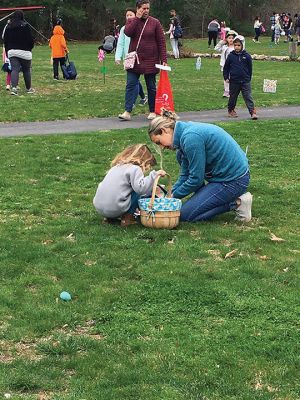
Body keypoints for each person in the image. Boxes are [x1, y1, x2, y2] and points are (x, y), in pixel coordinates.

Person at [148, 110, 253, 223]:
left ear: (164, 131)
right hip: (219, 178)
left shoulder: (191, 139)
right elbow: (185, 176)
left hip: (234, 180)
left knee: (185, 215)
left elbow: (196, 180)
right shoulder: (184, 139)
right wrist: (169, 194)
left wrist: (172, 197)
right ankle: (204, 200)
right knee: (180, 156)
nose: (162, 147)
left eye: (158, 142)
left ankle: (238, 202)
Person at [93, 144, 166, 226]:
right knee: (137, 191)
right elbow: (141, 189)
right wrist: (154, 176)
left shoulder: (116, 167)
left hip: (100, 207)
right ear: (144, 161)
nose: (147, 169)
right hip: (116, 208)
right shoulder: (135, 169)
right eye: (148, 165)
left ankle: (108, 219)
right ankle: (127, 218)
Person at [119, 0, 167, 121]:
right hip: (135, 60)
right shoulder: (131, 21)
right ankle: (127, 111)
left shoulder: (155, 23)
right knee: (130, 84)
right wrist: (136, 18)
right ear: (138, 9)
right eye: (143, 8)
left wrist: (164, 59)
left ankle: (152, 111)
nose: (146, 11)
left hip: (151, 59)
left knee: (151, 86)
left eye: (147, 8)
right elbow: (128, 32)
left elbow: (161, 42)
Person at [115, 8, 147, 107]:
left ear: (136, 15)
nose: (129, 17)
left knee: (133, 81)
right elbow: (120, 44)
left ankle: (132, 102)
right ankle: (143, 97)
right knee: (134, 80)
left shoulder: (141, 27)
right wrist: (118, 57)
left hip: (139, 58)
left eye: (131, 15)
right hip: (128, 59)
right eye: (127, 15)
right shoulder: (124, 29)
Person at [223, 35, 257, 120]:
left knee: (248, 97)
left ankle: (252, 112)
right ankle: (231, 110)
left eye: (238, 45)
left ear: (242, 45)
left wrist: (248, 78)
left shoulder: (247, 56)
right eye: (235, 45)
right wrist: (226, 77)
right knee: (233, 97)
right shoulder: (231, 56)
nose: (237, 47)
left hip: (245, 81)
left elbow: (250, 68)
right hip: (234, 81)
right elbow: (226, 67)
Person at [3, 10, 35, 96]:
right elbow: (31, 39)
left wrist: (7, 51)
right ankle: (28, 88)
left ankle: (13, 89)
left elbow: (5, 40)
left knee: (14, 69)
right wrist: (30, 48)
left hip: (12, 51)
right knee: (26, 70)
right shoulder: (25, 26)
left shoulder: (9, 27)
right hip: (25, 51)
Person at [214, 29, 237, 97]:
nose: (231, 39)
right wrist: (222, 42)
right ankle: (227, 91)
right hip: (225, 65)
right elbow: (216, 48)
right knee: (226, 78)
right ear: (226, 39)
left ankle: (233, 91)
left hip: (233, 66)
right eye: (229, 38)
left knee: (233, 78)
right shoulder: (224, 47)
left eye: (233, 38)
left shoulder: (236, 47)